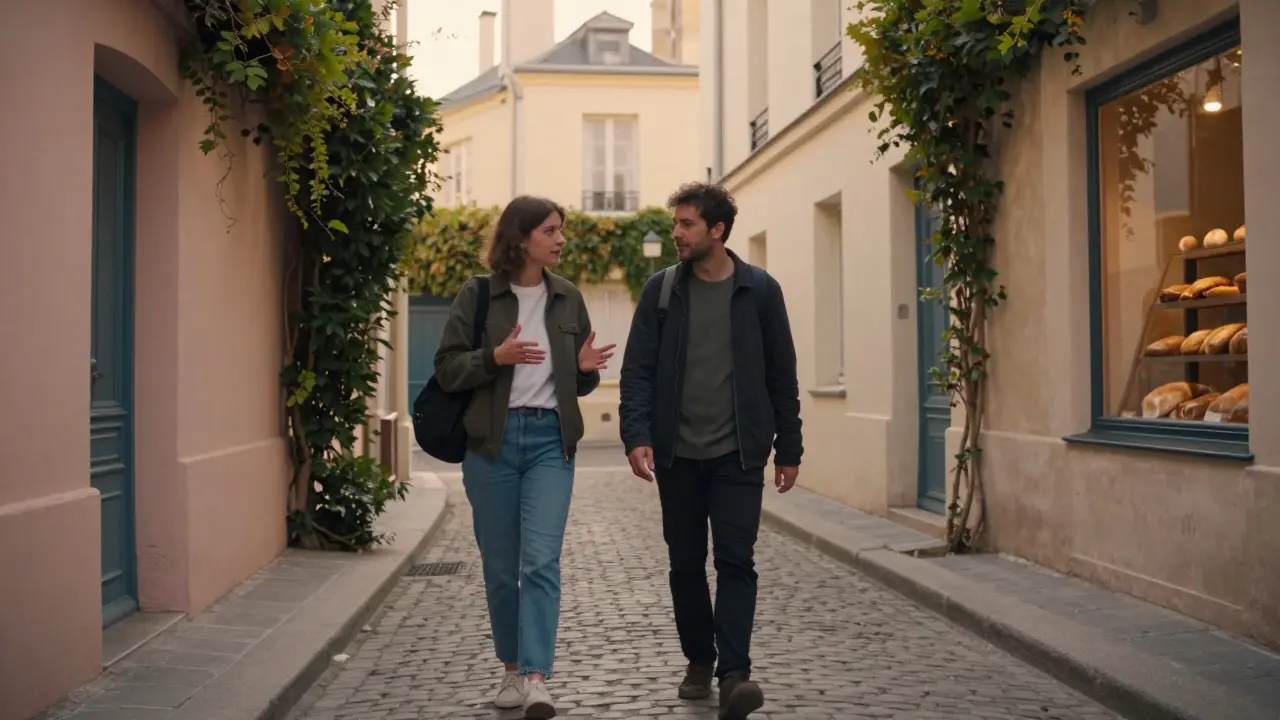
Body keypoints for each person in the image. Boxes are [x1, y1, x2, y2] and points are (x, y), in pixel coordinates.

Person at [618, 182, 802, 720]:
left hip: (738, 454)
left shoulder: (760, 291)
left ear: (717, 230)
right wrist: (636, 435)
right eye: (675, 223)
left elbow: (781, 374)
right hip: (677, 455)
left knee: (736, 560)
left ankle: (734, 673)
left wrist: (789, 447)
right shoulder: (661, 292)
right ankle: (699, 659)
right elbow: (637, 371)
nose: (676, 232)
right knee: (685, 563)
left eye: (687, 224)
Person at [434, 195, 615, 720]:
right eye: (550, 231)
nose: (561, 239)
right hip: (490, 445)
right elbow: (446, 368)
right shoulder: (478, 295)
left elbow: (578, 383)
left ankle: (537, 677)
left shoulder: (568, 297)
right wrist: (495, 357)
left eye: (561, 230)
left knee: (541, 561)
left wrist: (583, 369)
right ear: (520, 237)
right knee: (499, 568)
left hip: (549, 443)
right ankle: (511, 669)